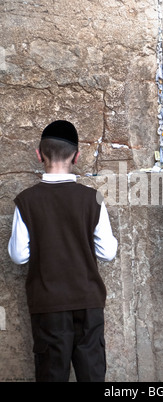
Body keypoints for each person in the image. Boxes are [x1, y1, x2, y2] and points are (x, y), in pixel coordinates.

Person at [8, 120, 118, 382]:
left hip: (48, 305)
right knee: (92, 374)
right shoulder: (93, 199)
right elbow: (108, 252)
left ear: (39, 155)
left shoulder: (26, 201)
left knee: (51, 374)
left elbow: (18, 255)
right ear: (77, 157)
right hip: (88, 301)